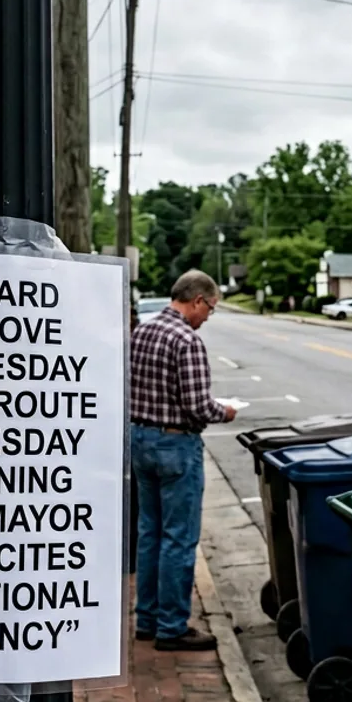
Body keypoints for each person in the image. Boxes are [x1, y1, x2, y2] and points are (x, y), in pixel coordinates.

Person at [130, 270, 237, 651]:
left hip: (140, 439)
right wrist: (224, 411)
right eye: (210, 308)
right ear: (197, 300)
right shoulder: (186, 340)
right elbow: (197, 405)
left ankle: (147, 619)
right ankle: (172, 627)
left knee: (149, 532)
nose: (208, 316)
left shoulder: (141, 332)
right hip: (176, 446)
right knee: (178, 538)